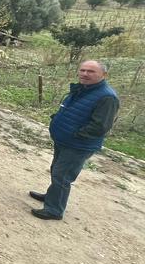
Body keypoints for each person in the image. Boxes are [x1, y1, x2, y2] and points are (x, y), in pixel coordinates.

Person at [29, 60, 119, 220]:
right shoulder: (82, 89)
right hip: (64, 140)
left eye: (91, 71)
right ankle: (52, 197)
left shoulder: (107, 97)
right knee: (56, 170)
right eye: (82, 70)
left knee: (62, 176)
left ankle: (54, 210)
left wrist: (75, 134)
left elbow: (100, 126)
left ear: (103, 75)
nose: (85, 74)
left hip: (78, 145)